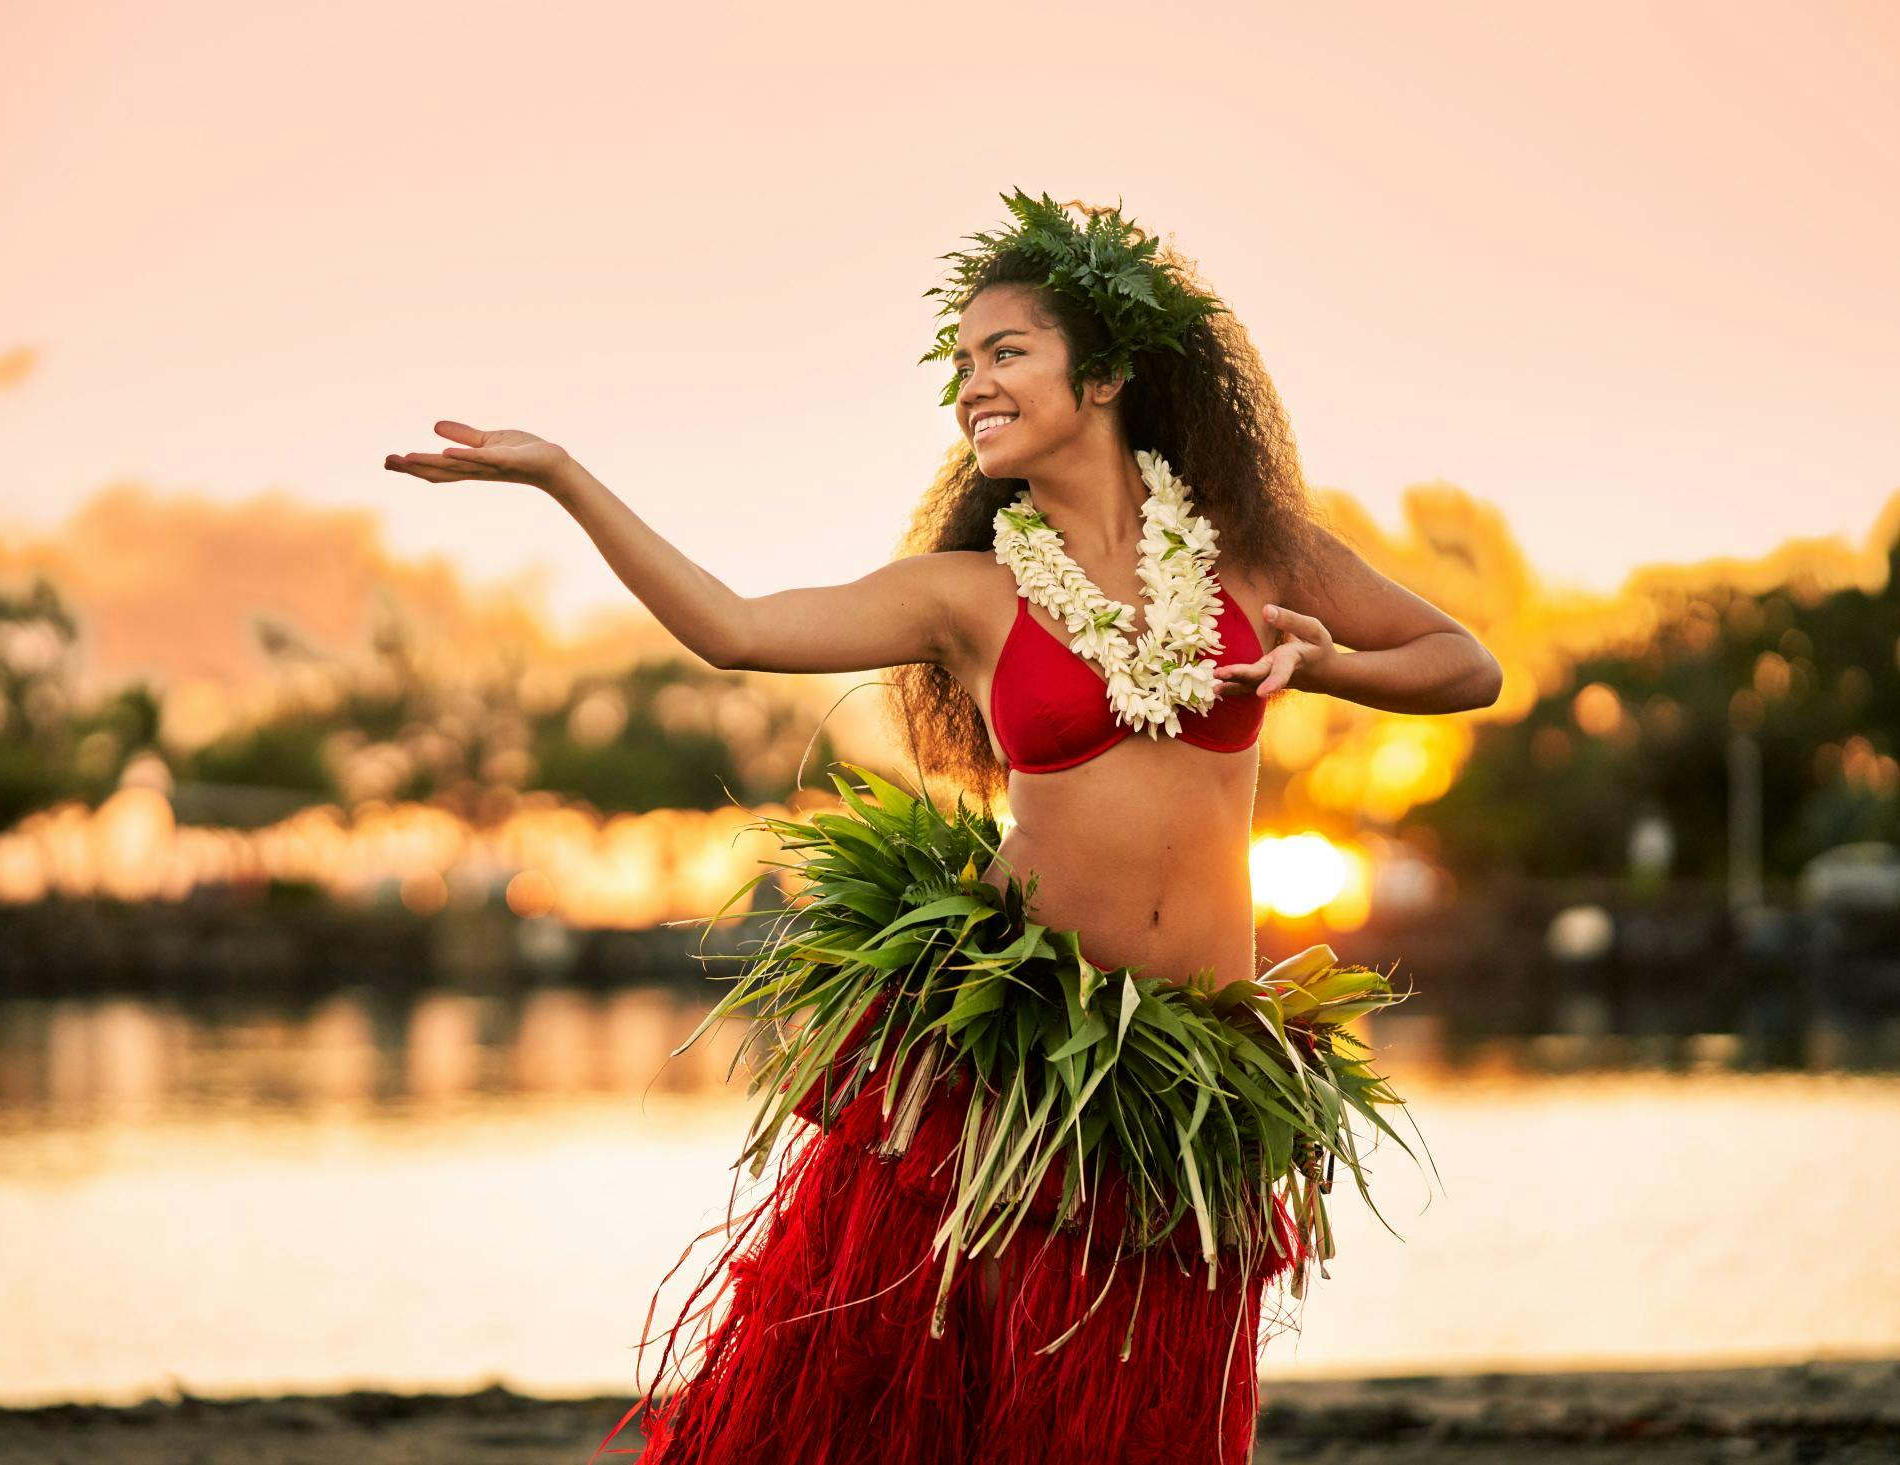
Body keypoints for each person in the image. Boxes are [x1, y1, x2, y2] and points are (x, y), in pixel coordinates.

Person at [385, 189, 1498, 1465]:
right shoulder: (965, 596)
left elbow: (1462, 664)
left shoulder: (1253, 553)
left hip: (1192, 1063)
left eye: (1004, 352)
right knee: (961, 1416)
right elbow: (735, 627)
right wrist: (561, 476)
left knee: (1153, 1423)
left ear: (1110, 373)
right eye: (960, 362)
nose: (970, 385)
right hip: (1011, 1066)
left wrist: (1322, 664)